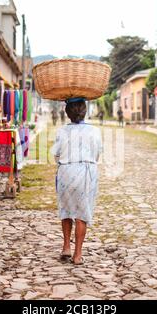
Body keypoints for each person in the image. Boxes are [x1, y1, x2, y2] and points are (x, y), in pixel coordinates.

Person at [51, 98, 103, 265]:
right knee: (82, 214)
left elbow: (56, 155)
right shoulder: (94, 131)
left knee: (66, 210)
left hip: (66, 171)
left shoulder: (61, 131)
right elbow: (97, 154)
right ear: (84, 111)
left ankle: (66, 247)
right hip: (87, 172)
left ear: (67, 113)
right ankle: (78, 255)